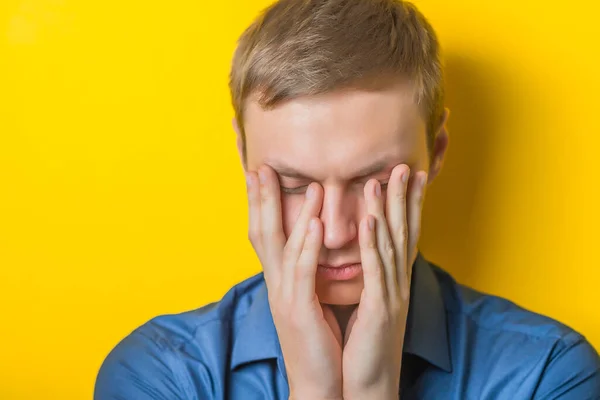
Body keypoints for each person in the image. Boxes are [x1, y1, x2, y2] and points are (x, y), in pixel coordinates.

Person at [94, 0, 600, 399]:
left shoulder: (546, 375)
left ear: (437, 150)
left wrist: (372, 392)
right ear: (244, 156)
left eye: (374, 181)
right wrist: (315, 392)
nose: (335, 233)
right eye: (293, 185)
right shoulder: (158, 375)